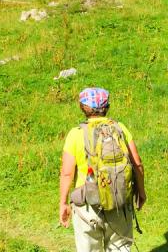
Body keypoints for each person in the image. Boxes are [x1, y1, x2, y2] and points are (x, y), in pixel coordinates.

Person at [60, 87, 146, 252]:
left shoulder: (75, 134)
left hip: (87, 206)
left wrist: (63, 203)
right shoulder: (120, 128)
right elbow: (137, 163)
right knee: (120, 248)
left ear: (82, 107)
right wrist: (140, 191)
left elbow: (67, 173)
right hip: (119, 201)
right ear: (107, 106)